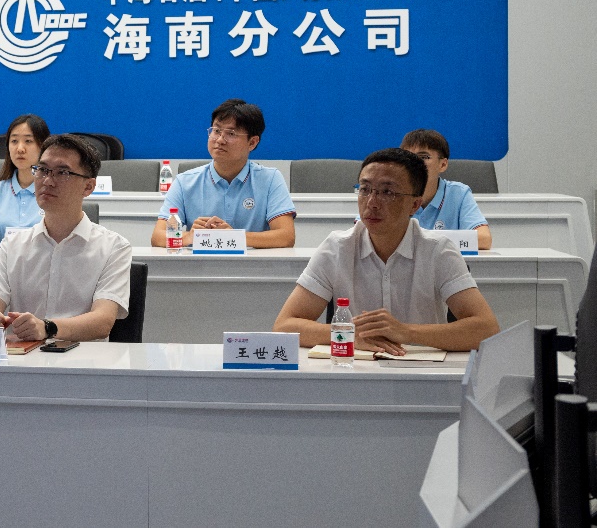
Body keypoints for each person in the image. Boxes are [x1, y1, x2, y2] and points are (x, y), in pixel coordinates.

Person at [273, 148, 499, 353]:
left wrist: (406, 332)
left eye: (387, 192)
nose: (372, 202)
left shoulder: (438, 250)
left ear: (414, 205)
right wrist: (349, 334)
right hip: (355, 371)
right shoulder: (337, 247)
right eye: (365, 189)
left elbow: (486, 329)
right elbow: (285, 326)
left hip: (421, 372)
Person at [0, 134, 131, 342]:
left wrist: (47, 328)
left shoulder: (114, 247)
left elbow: (103, 321)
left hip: (85, 358)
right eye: (42, 170)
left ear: (88, 187)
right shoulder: (13, 245)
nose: (47, 181)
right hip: (24, 357)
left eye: (62, 172)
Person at [150, 98, 296, 249]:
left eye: (231, 133)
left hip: (252, 263)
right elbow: (157, 237)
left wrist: (234, 237)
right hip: (200, 263)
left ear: (252, 142)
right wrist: (189, 237)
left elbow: (286, 237)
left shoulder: (270, 179)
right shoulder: (184, 182)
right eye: (216, 131)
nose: (220, 140)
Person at [400, 129, 492, 250]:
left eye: (424, 157)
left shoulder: (459, 193)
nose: (414, 163)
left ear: (443, 165)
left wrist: (423, 241)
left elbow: (484, 239)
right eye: (409, 157)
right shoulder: (393, 193)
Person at [0, 114, 50, 247]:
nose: (20, 149)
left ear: (43, 146)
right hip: (1, 259)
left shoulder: (54, 190)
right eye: (14, 141)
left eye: (28, 141)